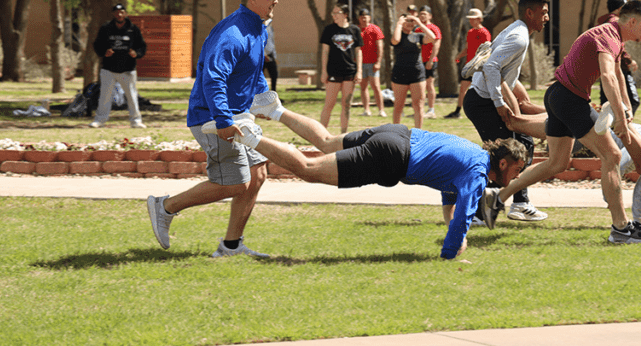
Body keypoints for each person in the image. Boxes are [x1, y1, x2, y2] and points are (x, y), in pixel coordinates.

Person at [222, 102, 527, 260]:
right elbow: (463, 217)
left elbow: (450, 190)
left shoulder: (473, 153)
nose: (515, 178)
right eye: (515, 171)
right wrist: (450, 253)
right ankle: (250, 136)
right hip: (392, 156)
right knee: (309, 169)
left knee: (327, 141)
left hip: (396, 133)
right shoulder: (477, 175)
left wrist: (452, 227)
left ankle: (273, 108)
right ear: (502, 163)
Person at [482, 0, 641, 244]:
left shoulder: (616, 37)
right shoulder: (608, 36)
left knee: (557, 163)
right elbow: (606, 76)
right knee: (612, 156)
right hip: (570, 100)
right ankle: (621, 229)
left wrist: (625, 109)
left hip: (558, 95)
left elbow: (617, 74)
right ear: (633, 21)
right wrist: (619, 117)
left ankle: (497, 199)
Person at [146, 0, 286, 258]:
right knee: (235, 182)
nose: (276, 0)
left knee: (258, 174)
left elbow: (253, 70)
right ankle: (165, 207)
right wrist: (223, 120)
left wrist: (263, 102)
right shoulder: (232, 33)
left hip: (238, 116)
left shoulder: (257, 27)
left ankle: (231, 246)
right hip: (212, 118)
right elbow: (213, 78)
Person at [463, 0, 551, 223]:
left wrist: (517, 99)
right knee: (502, 157)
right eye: (543, 12)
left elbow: (502, 70)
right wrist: (500, 103)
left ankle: (520, 203)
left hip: (482, 101)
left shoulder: (516, 30)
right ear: (530, 13)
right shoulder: (519, 37)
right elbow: (491, 67)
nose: (546, 17)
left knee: (522, 145)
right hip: (483, 103)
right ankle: (482, 214)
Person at [90, 3, 147, 129]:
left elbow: (142, 46)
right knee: (105, 95)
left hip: (128, 68)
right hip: (109, 68)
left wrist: (136, 53)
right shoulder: (106, 28)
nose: (119, 15)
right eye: (117, 12)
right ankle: (100, 120)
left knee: (132, 96)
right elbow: (97, 44)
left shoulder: (133, 29)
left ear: (125, 13)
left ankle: (136, 121)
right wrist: (104, 52)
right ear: (113, 14)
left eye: (122, 12)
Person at [391, 7, 437, 129]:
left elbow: (432, 37)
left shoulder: (418, 36)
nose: (410, 24)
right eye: (408, 21)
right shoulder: (398, 34)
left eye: (412, 22)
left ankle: (418, 132)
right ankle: (396, 132)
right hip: (400, 73)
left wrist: (420, 23)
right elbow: (395, 40)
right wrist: (399, 24)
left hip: (417, 74)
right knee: (399, 105)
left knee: (418, 104)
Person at [319, 6, 363, 133]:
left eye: (336, 13)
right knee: (329, 104)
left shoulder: (354, 30)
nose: (334, 15)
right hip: (333, 71)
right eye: (333, 13)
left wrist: (359, 71)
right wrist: (324, 71)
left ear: (345, 14)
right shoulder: (329, 30)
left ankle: (344, 134)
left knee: (346, 105)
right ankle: (321, 134)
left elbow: (358, 52)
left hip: (350, 71)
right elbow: (325, 52)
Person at [596, 0, 640, 116]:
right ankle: (623, 126)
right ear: (619, 8)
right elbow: (618, 46)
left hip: (606, 66)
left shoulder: (603, 22)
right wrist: (629, 60)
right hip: (618, 67)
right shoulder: (614, 22)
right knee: (632, 101)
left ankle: (609, 130)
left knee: (607, 103)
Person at [445, 8, 492, 120]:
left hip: (479, 67)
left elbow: (486, 50)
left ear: (479, 19)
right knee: (463, 89)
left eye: (473, 19)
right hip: (469, 66)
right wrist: (458, 56)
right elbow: (467, 48)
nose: (471, 21)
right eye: (470, 19)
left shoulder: (484, 33)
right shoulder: (470, 32)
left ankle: (486, 110)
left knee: (482, 89)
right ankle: (457, 111)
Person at [357, 8, 387, 118]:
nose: (364, 19)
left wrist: (378, 62)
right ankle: (366, 110)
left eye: (366, 16)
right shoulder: (357, 30)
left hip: (372, 62)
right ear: (359, 18)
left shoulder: (375, 29)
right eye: (361, 17)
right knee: (363, 86)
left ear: (369, 17)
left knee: (375, 86)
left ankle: (381, 110)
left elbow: (380, 46)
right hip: (360, 63)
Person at [417, 5, 442, 118]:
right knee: (419, 86)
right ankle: (419, 109)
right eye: (421, 14)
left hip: (429, 60)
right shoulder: (417, 29)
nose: (422, 16)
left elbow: (437, 44)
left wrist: (431, 60)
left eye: (425, 14)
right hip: (418, 61)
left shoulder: (434, 28)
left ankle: (431, 110)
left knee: (429, 84)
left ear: (430, 16)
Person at [263, 19, 278, 91]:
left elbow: (272, 41)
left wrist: (274, 55)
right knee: (258, 78)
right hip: (262, 56)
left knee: (274, 75)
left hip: (270, 54)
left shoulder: (270, 28)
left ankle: (273, 96)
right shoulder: (260, 28)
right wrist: (264, 55)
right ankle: (257, 97)